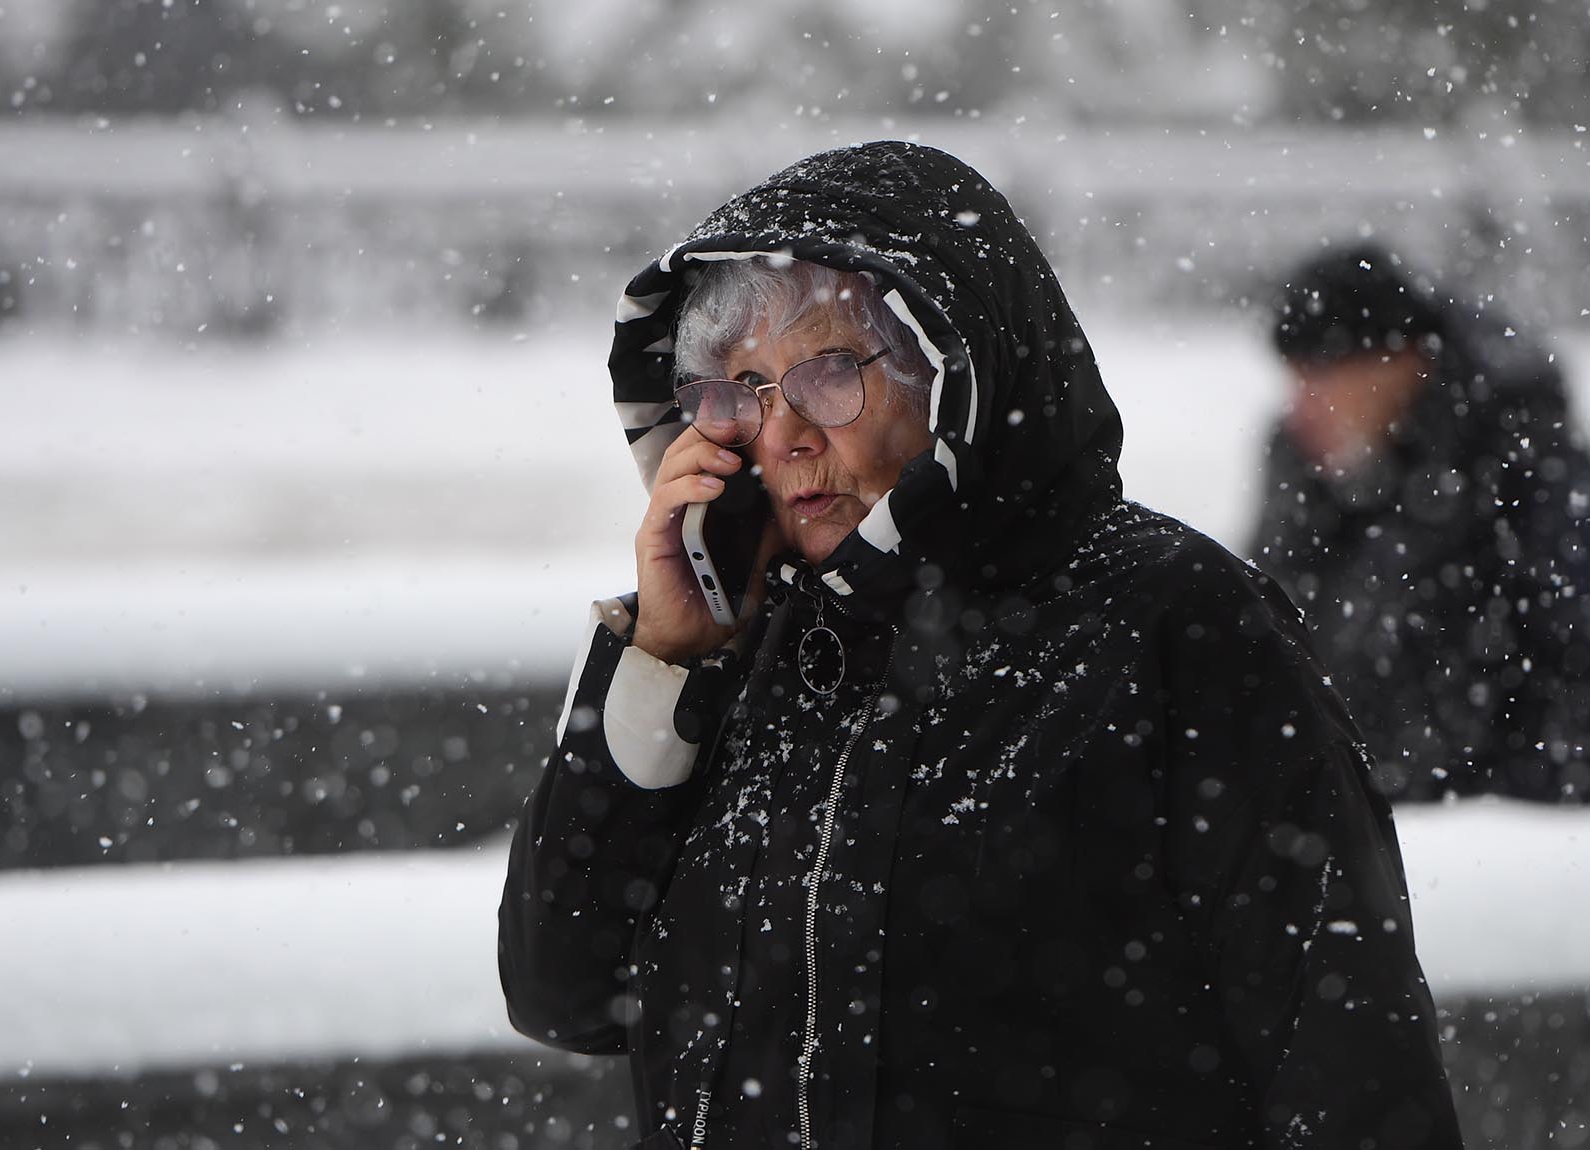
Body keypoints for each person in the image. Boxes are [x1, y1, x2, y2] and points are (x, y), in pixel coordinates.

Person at [500, 144, 1464, 1150]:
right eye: (741, 388)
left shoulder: (1171, 621)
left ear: (957, 374)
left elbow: (1351, 1064)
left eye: (831, 373)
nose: (780, 433)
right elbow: (560, 988)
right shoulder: (741, 640)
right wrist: (663, 658)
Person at [1247, 246, 1590, 803]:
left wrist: (1514, 811)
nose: (1303, 406)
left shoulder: (1515, 457)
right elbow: (1263, 630)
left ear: (1403, 363)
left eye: (1323, 377)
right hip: (1359, 822)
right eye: (1296, 380)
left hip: (1476, 837)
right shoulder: (1307, 461)